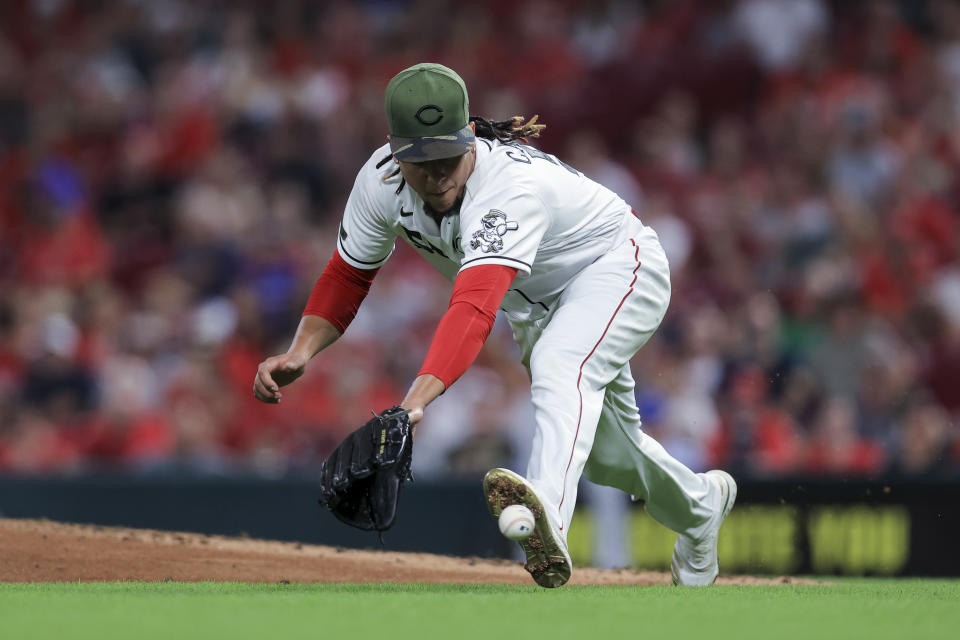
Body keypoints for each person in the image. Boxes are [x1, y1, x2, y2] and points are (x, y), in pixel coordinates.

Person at [253, 63, 736, 588]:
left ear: (471, 137)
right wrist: (301, 350)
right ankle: (700, 506)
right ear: (394, 150)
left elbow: (475, 309)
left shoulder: (507, 187)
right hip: (537, 303)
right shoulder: (379, 181)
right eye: (421, 161)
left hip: (615, 265)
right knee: (605, 456)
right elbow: (349, 274)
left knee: (560, 366)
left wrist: (413, 403)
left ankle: (545, 514)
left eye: (447, 156)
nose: (437, 174)